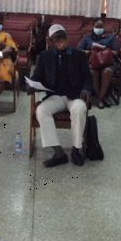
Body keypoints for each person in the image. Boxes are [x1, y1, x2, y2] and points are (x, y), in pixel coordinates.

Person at [29, 24, 92, 167]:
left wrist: (87, 89)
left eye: (63, 39)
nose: (61, 42)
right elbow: (37, 76)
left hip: (74, 95)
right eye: (57, 40)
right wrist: (31, 84)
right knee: (41, 110)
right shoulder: (44, 57)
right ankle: (58, 152)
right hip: (55, 96)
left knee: (80, 109)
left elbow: (88, 78)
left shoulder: (79, 55)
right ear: (51, 42)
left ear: (67, 38)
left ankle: (77, 149)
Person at [78, 18, 119, 109]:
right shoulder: (87, 37)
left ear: (104, 27)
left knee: (107, 72)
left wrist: (104, 49)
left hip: (108, 62)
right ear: (93, 27)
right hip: (92, 62)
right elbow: (79, 50)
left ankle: (100, 98)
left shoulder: (111, 37)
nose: (99, 29)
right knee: (93, 72)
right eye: (97, 27)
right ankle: (99, 96)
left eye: (101, 27)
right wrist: (89, 51)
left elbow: (116, 52)